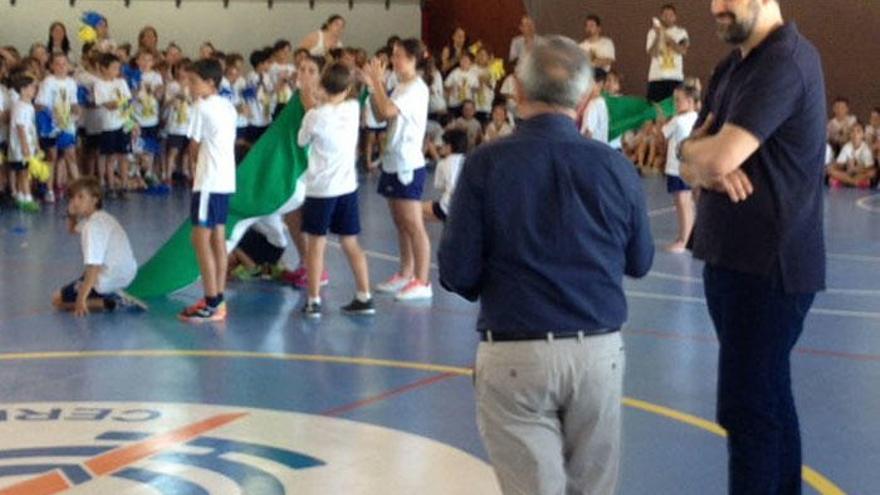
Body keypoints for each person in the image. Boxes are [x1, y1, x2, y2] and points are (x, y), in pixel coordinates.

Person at [439, 36, 653, 495]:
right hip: (597, 352)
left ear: (516, 89)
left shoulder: (484, 165)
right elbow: (640, 261)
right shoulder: (615, 167)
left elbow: (457, 273)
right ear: (586, 95)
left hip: (516, 351)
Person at [678, 1, 826, 492]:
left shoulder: (784, 61)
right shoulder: (732, 66)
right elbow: (688, 158)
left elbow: (717, 158)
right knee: (769, 403)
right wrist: (695, 156)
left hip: (768, 268)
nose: (718, 6)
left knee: (749, 412)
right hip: (731, 262)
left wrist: (705, 158)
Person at [297, 62, 374, 318]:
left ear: (322, 85)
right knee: (350, 242)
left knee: (316, 245)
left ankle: (313, 300)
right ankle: (364, 295)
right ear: (347, 88)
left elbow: (302, 141)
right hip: (347, 188)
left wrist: (308, 96)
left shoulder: (315, 116)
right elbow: (358, 97)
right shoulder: (352, 109)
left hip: (320, 190)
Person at [363, 38, 433, 301]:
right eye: (393, 54)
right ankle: (406, 272)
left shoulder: (416, 88)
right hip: (391, 160)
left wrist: (378, 83)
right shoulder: (401, 86)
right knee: (400, 222)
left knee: (413, 223)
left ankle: (423, 281)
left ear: (414, 60)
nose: (394, 60)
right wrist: (372, 88)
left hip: (407, 163)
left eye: (399, 55)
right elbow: (380, 115)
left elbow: (388, 110)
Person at [178, 59, 237, 323]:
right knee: (218, 238)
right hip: (225, 180)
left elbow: (194, 145)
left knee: (200, 239)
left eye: (193, 81)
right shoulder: (228, 106)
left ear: (210, 83)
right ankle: (218, 297)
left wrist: (195, 169)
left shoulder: (200, 107)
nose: (189, 86)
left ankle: (212, 301)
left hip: (209, 181)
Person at [52, 177, 141, 316]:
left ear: (95, 200)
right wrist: (71, 215)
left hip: (108, 277)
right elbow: (73, 229)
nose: (75, 201)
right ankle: (111, 293)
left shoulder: (92, 227)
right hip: (127, 273)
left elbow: (93, 266)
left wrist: (81, 299)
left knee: (57, 300)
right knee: (82, 280)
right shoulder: (101, 217)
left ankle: (112, 301)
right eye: (73, 197)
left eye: (81, 197)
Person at [657, 84, 699, 253]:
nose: (675, 103)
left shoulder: (678, 120)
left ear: (689, 101)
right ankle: (687, 236)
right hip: (690, 167)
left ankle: (684, 239)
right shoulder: (696, 117)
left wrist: (661, 118)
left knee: (682, 202)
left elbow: (662, 134)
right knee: (686, 202)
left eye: (678, 100)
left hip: (677, 168)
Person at [36, 52, 80, 201]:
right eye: (58, 64)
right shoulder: (48, 82)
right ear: (52, 66)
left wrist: (76, 109)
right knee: (52, 156)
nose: (61, 67)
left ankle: (80, 190)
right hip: (51, 124)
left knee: (71, 155)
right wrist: (53, 116)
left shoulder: (71, 82)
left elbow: (73, 102)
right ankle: (49, 190)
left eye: (64, 64)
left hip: (67, 123)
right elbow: (40, 104)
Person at [93, 53, 133, 196]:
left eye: (118, 67)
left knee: (124, 155)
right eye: (114, 67)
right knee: (111, 156)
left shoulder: (121, 82)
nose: (117, 70)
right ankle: (110, 185)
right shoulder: (99, 84)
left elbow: (128, 102)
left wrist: (131, 123)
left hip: (123, 123)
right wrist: (119, 102)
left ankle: (124, 184)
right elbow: (107, 104)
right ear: (104, 69)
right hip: (109, 124)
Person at [7, 72, 41, 211]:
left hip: (28, 145)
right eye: (32, 87)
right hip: (21, 148)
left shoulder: (28, 106)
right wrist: (25, 147)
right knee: (25, 173)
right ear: (23, 89)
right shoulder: (20, 107)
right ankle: (27, 198)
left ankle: (21, 195)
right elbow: (21, 128)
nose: (34, 90)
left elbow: (31, 127)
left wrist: (36, 144)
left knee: (24, 172)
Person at [646, 4, 689, 102]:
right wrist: (658, 35)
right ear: (661, 16)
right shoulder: (652, 32)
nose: (667, 18)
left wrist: (664, 34)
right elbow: (653, 53)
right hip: (656, 77)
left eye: (670, 15)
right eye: (665, 15)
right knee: (654, 109)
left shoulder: (681, 32)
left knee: (674, 108)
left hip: (675, 77)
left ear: (675, 17)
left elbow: (682, 50)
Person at [422, 129, 466, 223]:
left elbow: (440, 187)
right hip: (467, 208)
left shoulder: (442, 164)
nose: (440, 146)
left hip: (447, 207)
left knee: (416, 211)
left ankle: (419, 237)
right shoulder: (469, 161)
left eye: (443, 144)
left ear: (449, 147)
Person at [827, 122, 875, 188]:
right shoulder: (847, 146)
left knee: (872, 173)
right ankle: (854, 182)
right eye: (852, 131)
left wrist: (856, 169)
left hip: (860, 173)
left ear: (863, 135)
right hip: (847, 173)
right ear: (850, 134)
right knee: (830, 170)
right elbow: (839, 164)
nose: (855, 134)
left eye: (858, 131)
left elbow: (870, 168)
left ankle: (846, 181)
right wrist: (845, 165)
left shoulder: (865, 149)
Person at [444, 52, 479, 119]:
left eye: (466, 61)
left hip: (466, 105)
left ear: (471, 64)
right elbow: (446, 85)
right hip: (454, 103)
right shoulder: (455, 72)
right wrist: (452, 88)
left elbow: (476, 88)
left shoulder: (473, 75)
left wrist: (471, 88)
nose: (463, 62)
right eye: (462, 60)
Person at [579, 68, 609, 144]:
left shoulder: (594, 104)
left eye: (588, 82)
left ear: (600, 84)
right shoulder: (600, 102)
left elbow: (587, 133)